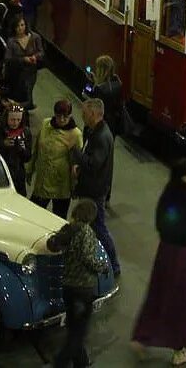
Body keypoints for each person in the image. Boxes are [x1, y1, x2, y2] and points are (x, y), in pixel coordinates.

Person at [131, 158, 186, 367]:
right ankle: (180, 349)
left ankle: (142, 337)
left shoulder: (167, 197)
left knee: (157, 294)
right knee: (183, 302)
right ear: (184, 177)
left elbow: (160, 224)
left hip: (165, 252)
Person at [46, 199, 111, 368]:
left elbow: (52, 244)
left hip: (68, 288)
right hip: (83, 290)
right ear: (90, 217)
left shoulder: (67, 230)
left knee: (74, 328)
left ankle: (81, 363)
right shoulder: (87, 233)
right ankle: (60, 363)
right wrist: (103, 266)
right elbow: (89, 259)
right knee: (78, 334)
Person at [72, 98, 121, 277]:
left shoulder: (101, 137)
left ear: (93, 114)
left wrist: (76, 153)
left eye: (84, 113)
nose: (82, 116)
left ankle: (114, 265)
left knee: (99, 227)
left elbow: (93, 164)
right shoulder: (96, 131)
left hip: (94, 191)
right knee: (94, 227)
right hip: (93, 187)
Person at [30, 99, 82, 217]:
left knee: (59, 218)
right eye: (59, 116)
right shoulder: (45, 124)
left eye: (65, 116)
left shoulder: (75, 134)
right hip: (42, 182)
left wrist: (75, 186)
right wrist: (30, 169)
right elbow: (36, 149)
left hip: (61, 187)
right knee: (33, 214)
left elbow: (77, 162)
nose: (62, 120)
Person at [0, 104, 32, 195]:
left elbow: (28, 157)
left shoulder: (25, 132)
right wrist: (3, 145)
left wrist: (21, 149)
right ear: (6, 118)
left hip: (18, 175)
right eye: (12, 119)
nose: (15, 123)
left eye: (18, 120)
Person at [5, 15, 45, 106]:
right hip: (16, 73)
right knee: (17, 95)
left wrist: (35, 56)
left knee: (28, 93)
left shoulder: (35, 37)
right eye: (17, 26)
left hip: (30, 72)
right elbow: (8, 58)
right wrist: (23, 59)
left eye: (22, 25)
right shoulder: (12, 41)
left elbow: (41, 52)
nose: (20, 28)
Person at [83, 55, 124, 138]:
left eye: (97, 67)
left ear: (102, 70)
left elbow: (90, 101)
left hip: (99, 125)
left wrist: (91, 87)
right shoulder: (118, 84)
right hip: (112, 125)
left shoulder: (100, 89)